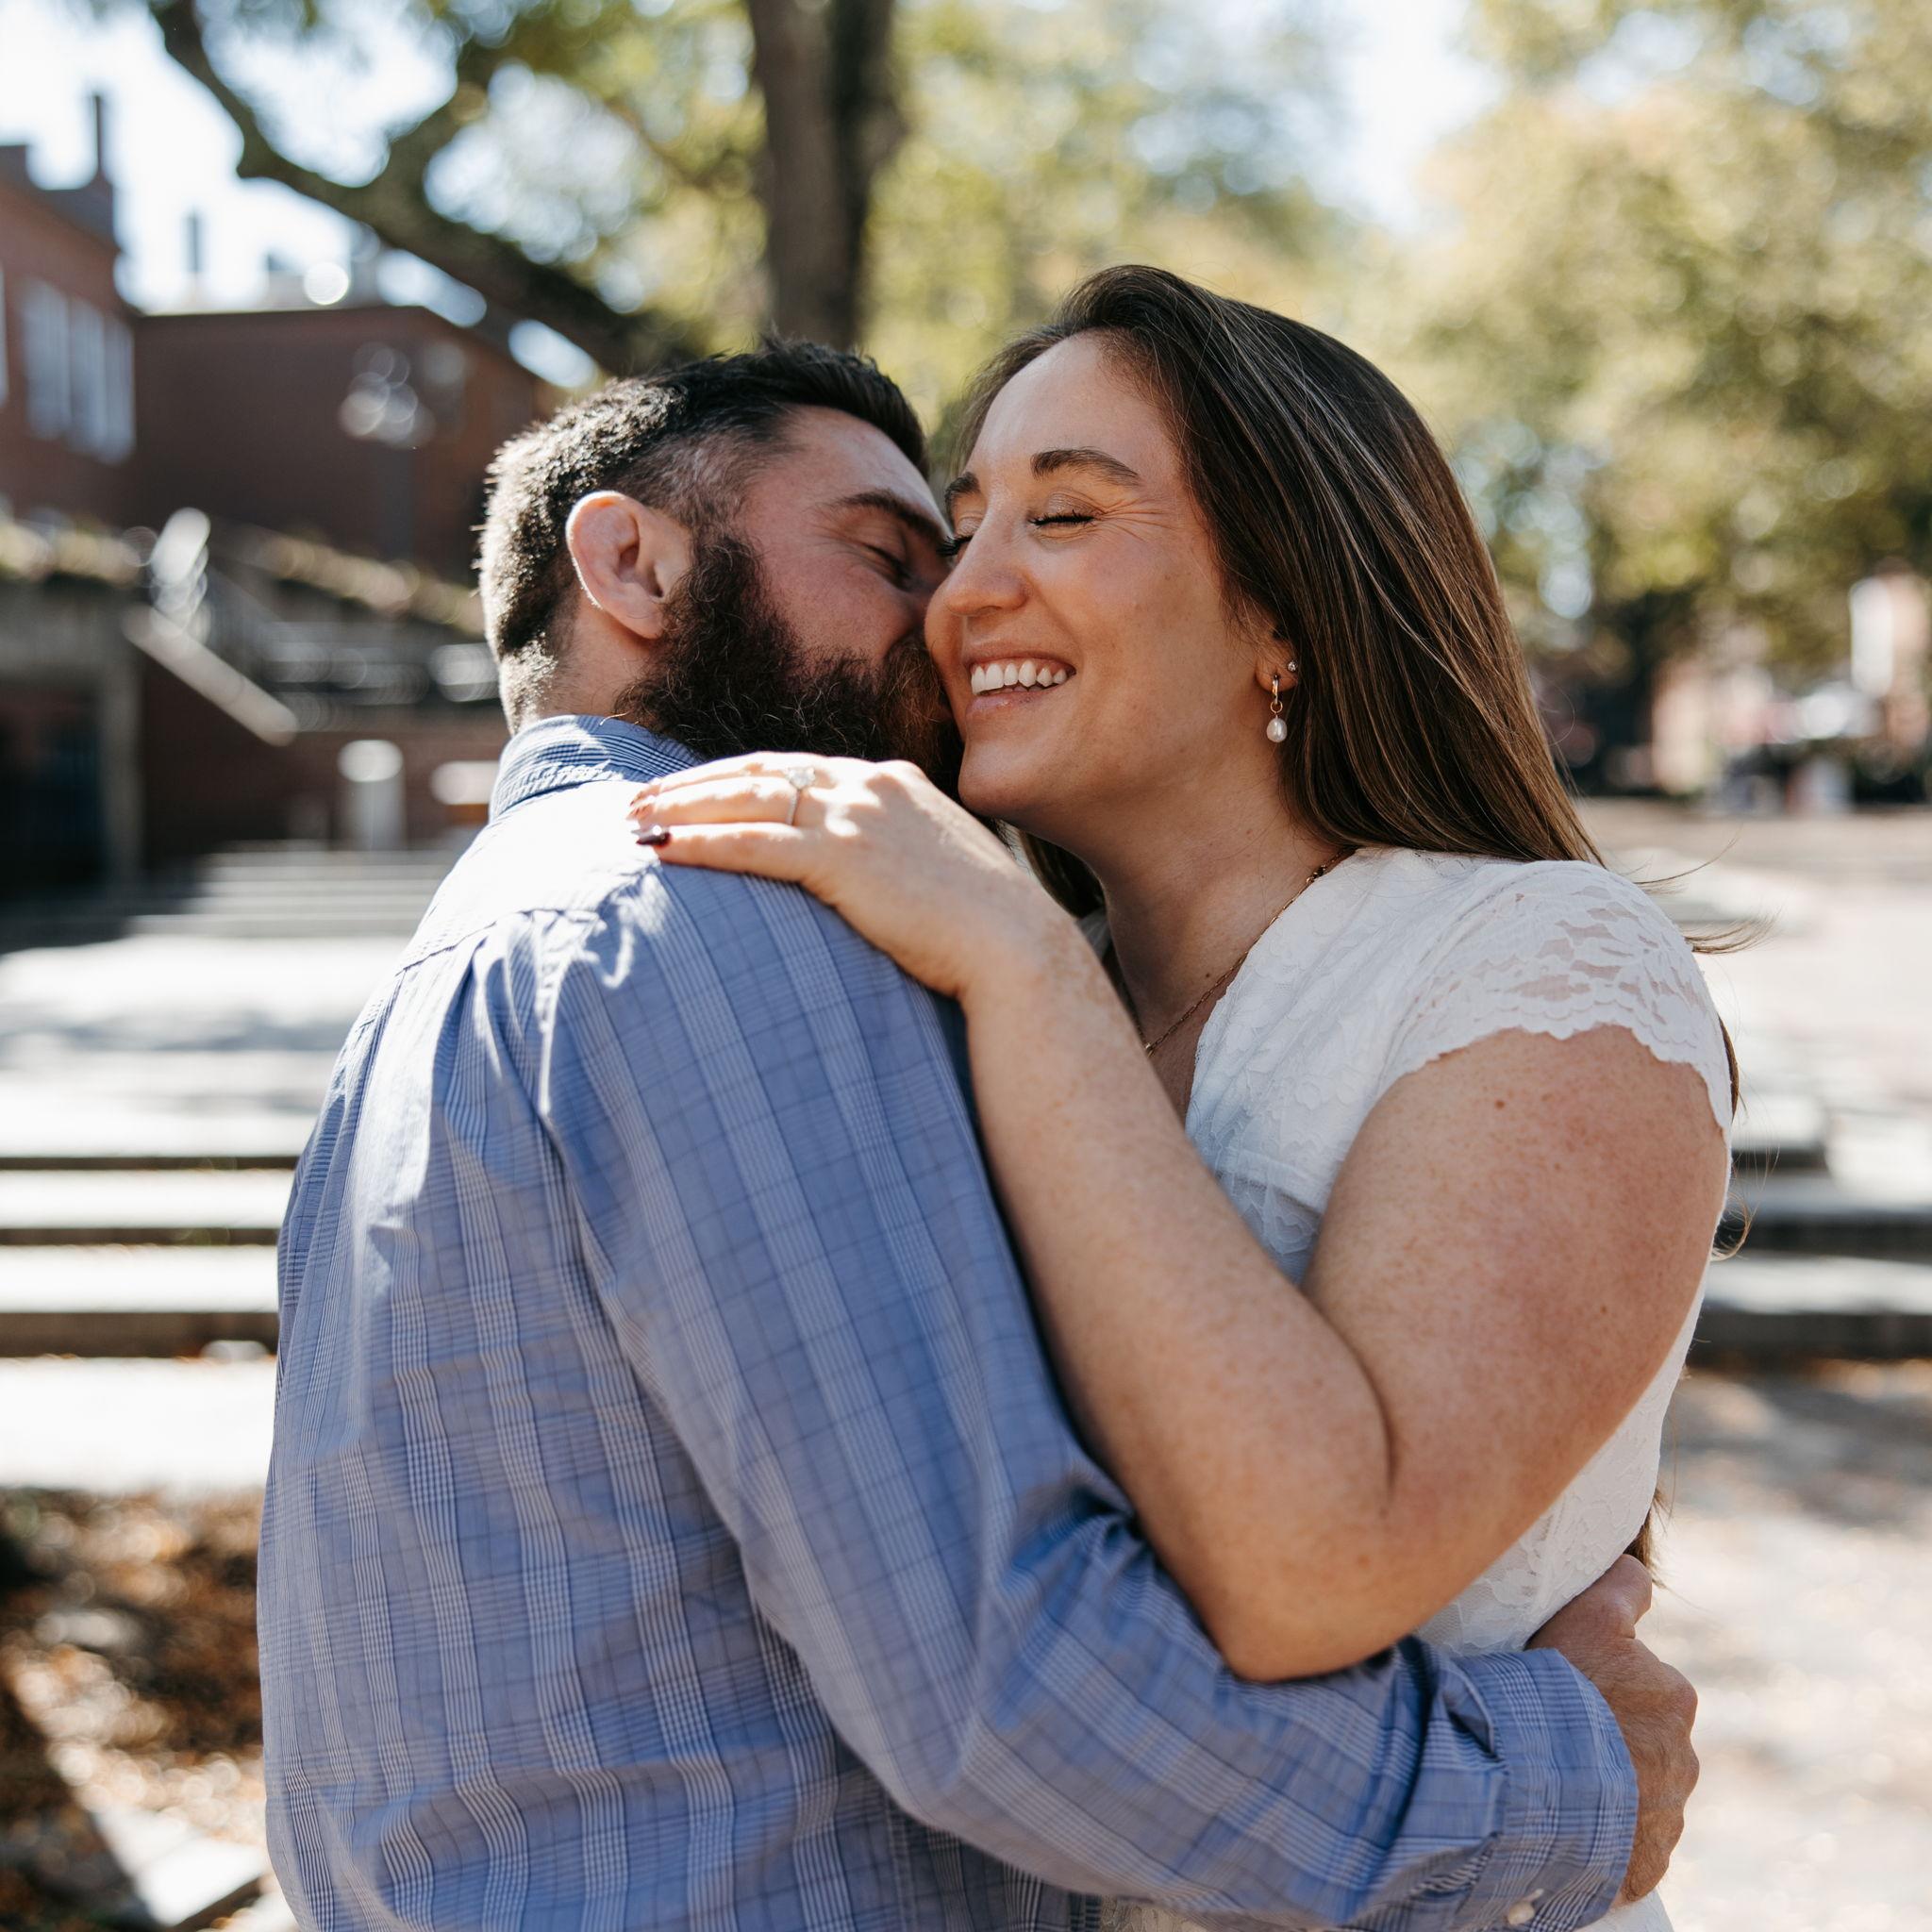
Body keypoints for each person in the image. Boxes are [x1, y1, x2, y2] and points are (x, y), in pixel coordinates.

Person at [261, 339, 1696, 1932]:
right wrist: (1564, 1784)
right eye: (911, 547)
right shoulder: (720, 914)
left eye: (1059, 518)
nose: (954, 602)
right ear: (630, 563)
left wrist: (1016, 962)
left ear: (1289, 605)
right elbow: (1005, 1686)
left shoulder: (1509, 966)